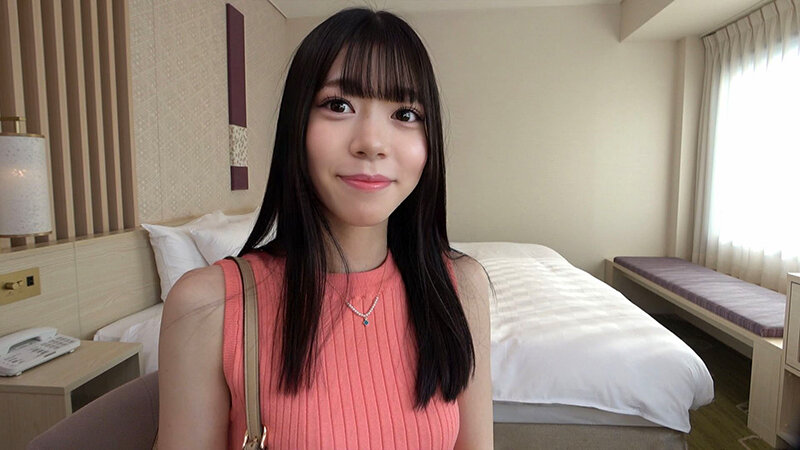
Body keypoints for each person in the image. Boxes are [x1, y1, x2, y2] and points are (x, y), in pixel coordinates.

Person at [158, 7, 492, 449]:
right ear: (296, 125)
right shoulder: (208, 306)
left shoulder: (460, 289)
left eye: (405, 113)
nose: (372, 143)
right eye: (339, 105)